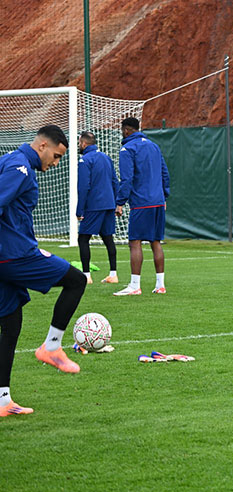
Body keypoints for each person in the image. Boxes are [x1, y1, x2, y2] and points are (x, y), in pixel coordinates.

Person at [0, 125, 87, 416]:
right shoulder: (21, 168)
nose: (56, 162)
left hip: (7, 258)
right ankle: (51, 346)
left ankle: (2, 401)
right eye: (57, 156)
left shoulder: (10, 159)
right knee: (76, 280)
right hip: (14, 256)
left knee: (10, 328)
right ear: (43, 146)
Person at [113, 117, 170, 296]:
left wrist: (120, 202)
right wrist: (164, 195)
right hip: (158, 201)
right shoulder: (154, 146)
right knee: (155, 241)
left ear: (127, 130)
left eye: (122, 130)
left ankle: (134, 285)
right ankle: (160, 285)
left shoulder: (127, 149)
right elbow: (164, 173)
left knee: (135, 242)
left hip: (141, 203)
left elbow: (127, 179)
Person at [76, 131, 119, 284]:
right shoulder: (106, 158)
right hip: (109, 204)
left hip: (94, 205)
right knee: (108, 239)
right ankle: (113, 274)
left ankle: (86, 276)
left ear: (83, 143)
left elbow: (83, 187)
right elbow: (115, 182)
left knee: (83, 239)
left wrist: (79, 210)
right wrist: (117, 204)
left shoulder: (85, 160)